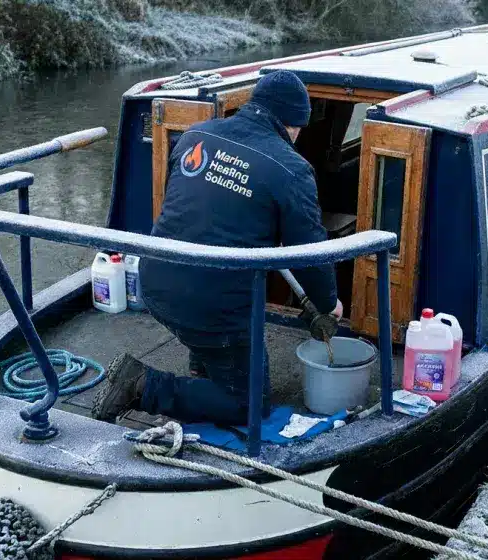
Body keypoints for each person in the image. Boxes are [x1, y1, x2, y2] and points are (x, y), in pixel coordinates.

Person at [92, 70, 342, 426]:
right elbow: (311, 251)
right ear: (293, 123)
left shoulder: (196, 134)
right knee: (250, 404)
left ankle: (204, 368)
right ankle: (143, 386)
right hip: (210, 305)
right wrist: (328, 303)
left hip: (154, 281)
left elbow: (185, 209)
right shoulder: (291, 168)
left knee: (211, 327)